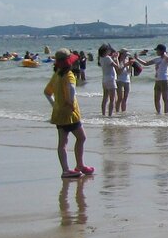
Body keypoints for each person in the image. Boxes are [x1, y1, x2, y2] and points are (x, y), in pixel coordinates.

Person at [44, 50, 93, 179]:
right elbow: (71, 89)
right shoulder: (69, 75)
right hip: (70, 114)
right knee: (81, 138)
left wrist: (54, 105)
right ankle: (80, 165)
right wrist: (71, 103)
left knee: (62, 143)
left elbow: (47, 92)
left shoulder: (56, 74)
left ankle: (66, 170)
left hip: (59, 114)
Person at [98, 44, 118, 117]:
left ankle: (103, 114)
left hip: (104, 80)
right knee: (112, 99)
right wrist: (116, 58)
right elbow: (117, 66)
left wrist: (112, 57)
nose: (110, 51)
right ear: (106, 51)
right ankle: (110, 115)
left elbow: (108, 61)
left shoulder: (101, 58)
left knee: (105, 98)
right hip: (111, 79)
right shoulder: (108, 58)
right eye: (109, 50)